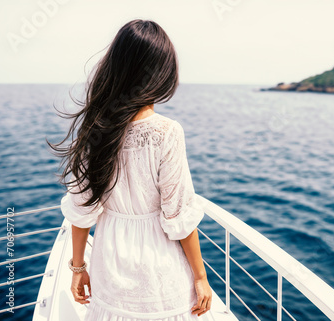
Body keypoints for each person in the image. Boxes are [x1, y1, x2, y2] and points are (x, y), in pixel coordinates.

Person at [47, 19, 212, 320]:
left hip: (109, 270)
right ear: (162, 73)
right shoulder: (166, 132)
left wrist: (77, 268)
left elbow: (81, 209)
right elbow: (177, 217)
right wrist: (200, 278)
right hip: (160, 276)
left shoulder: (94, 130)